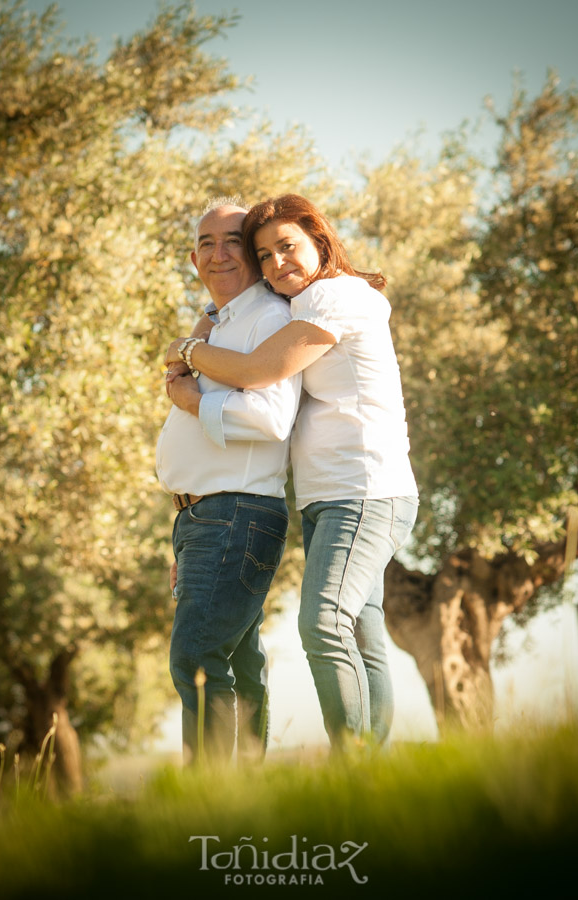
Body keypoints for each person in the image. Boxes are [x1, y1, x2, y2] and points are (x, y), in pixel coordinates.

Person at [165, 194, 418, 750]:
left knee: (324, 622)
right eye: (267, 254)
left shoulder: (334, 297)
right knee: (360, 628)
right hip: (330, 495)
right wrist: (209, 320)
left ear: (320, 242)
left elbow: (258, 373)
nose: (278, 263)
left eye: (288, 248)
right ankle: (368, 772)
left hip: (365, 487)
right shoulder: (301, 303)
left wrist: (186, 351)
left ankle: (352, 768)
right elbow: (236, 325)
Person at [157, 198, 301, 762]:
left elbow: (269, 420)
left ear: (254, 254)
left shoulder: (266, 319)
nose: (218, 254)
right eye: (206, 243)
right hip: (204, 519)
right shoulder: (222, 323)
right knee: (236, 663)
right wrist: (186, 524)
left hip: (234, 514)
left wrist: (192, 401)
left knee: (195, 658)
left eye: (232, 242)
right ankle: (241, 799)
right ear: (194, 259)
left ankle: (211, 797)